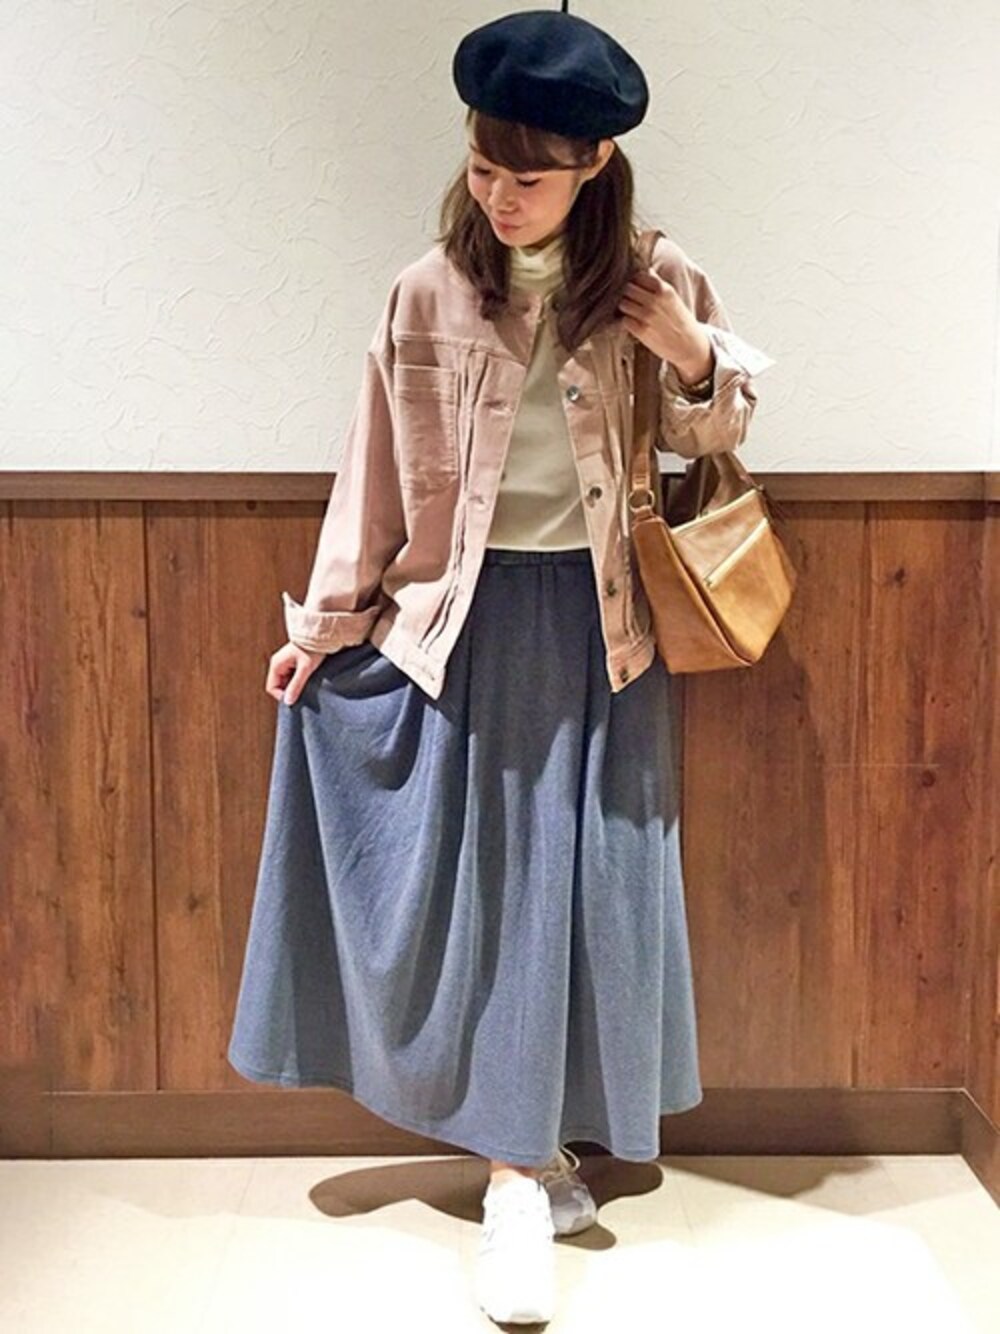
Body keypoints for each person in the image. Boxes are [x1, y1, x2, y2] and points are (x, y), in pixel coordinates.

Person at [227, 2, 775, 1324]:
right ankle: (518, 1179)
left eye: (528, 175)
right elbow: (373, 474)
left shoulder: (653, 276)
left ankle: (539, 1157)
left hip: (606, 631)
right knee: (492, 898)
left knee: (588, 897)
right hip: (464, 628)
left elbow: (719, 436)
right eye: (483, 168)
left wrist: (690, 351)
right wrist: (320, 633)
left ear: (595, 164)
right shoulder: (428, 289)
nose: (500, 196)